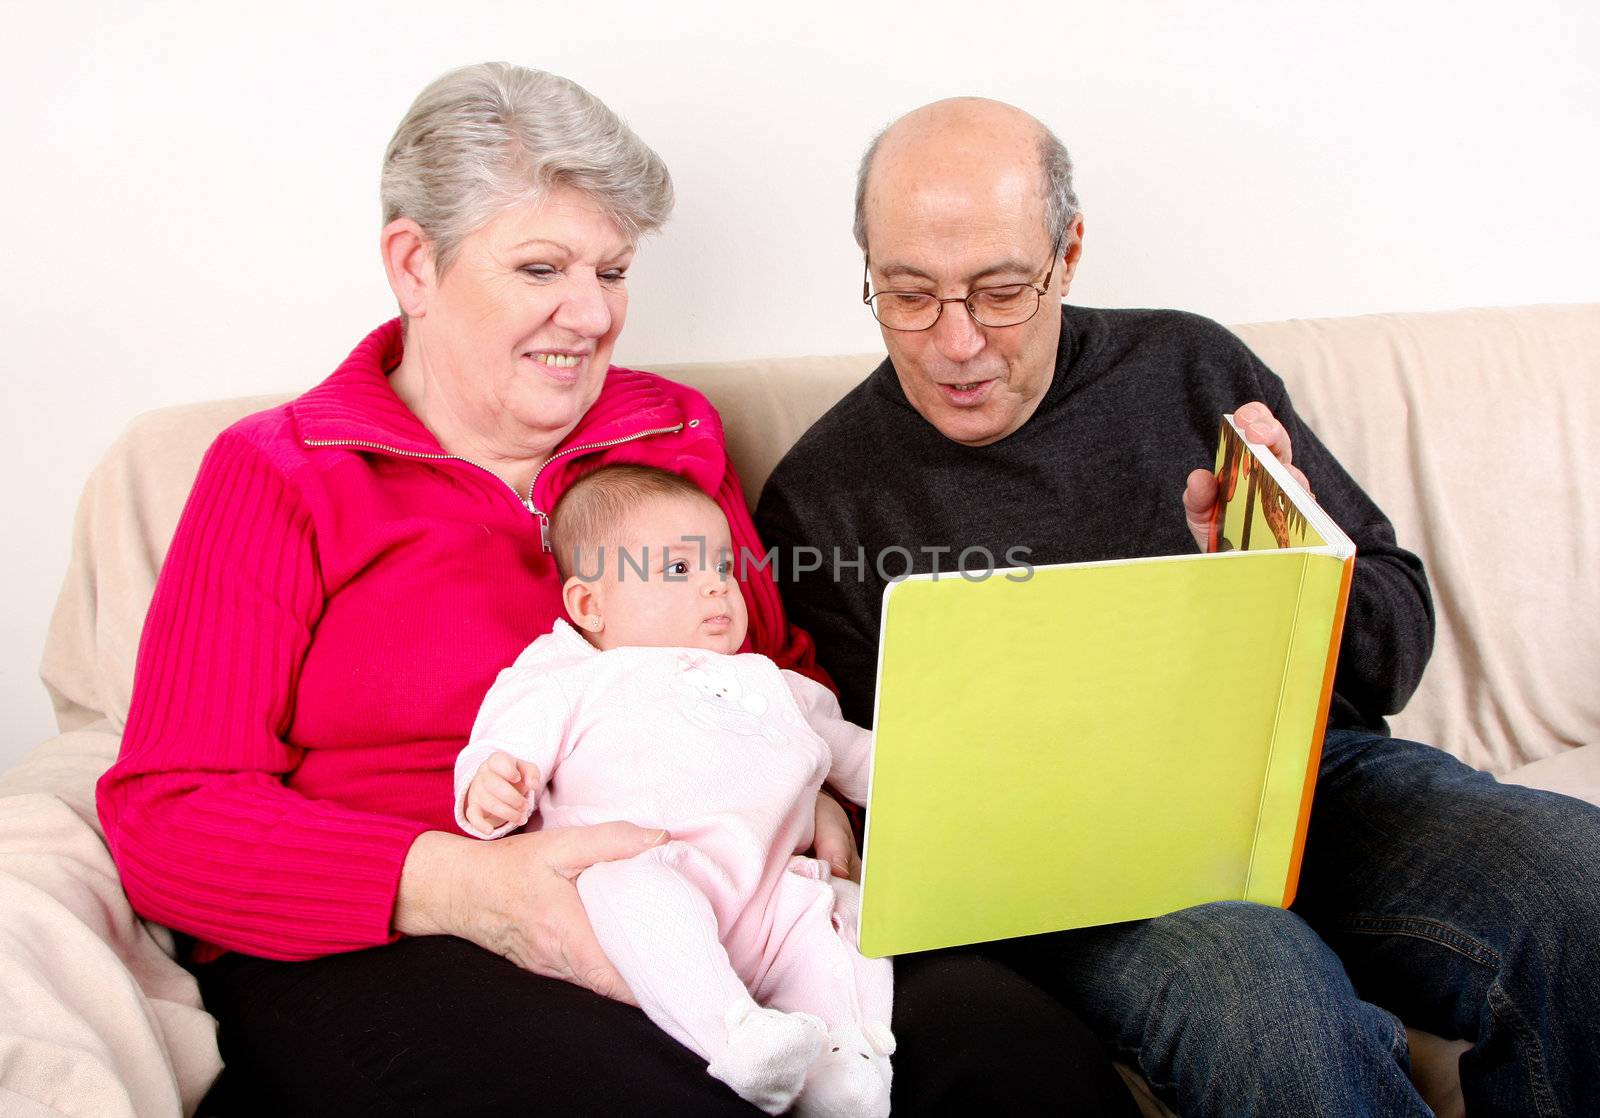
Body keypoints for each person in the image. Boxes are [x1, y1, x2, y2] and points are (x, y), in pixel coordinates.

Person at [94, 66, 1138, 1115]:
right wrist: (468, 884)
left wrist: (808, 781)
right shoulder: (284, 469)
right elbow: (170, 812)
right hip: (414, 937)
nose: (591, 314)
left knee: (1024, 1059)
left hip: (729, 886)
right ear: (415, 263)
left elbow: (767, 659)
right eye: (542, 266)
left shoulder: (667, 431)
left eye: (613, 269)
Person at [755, 96, 1600, 1116]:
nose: (955, 342)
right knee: (1262, 995)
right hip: (1064, 864)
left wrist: (1272, 571)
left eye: (1000, 291)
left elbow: (1394, 645)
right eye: (907, 295)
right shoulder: (823, 493)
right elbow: (872, 802)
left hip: (1298, 782)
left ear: (1068, 254)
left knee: (1573, 875)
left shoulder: (1188, 367)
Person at [457, 465, 892, 1116]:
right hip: (653, 878)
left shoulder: (768, 682)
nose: (717, 586)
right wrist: (492, 784)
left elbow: (858, 754)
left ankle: (846, 1063)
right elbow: (501, 743)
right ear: (588, 605)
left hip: (773, 895)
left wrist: (933, 778)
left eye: (724, 568)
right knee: (622, 884)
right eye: (681, 571)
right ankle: (739, 1037)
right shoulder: (569, 675)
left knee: (842, 915)